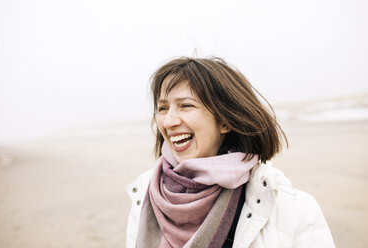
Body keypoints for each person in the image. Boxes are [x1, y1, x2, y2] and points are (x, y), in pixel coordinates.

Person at [126, 57, 336, 248]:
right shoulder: (145, 194)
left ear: (225, 121)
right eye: (163, 108)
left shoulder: (292, 209)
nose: (169, 121)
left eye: (186, 105)